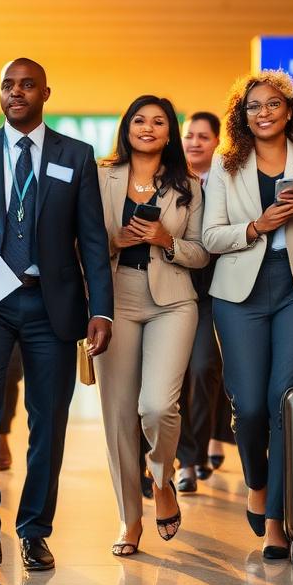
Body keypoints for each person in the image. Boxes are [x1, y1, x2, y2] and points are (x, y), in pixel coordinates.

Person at [0, 57, 113, 574]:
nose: (15, 93)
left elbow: (92, 238)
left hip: (50, 304)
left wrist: (102, 310)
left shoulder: (75, 155)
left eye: (27, 85)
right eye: (7, 86)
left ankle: (35, 531)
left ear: (45, 94)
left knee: (48, 419)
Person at [201, 70, 293, 560]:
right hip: (239, 291)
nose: (263, 113)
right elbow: (210, 237)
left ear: (289, 110)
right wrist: (257, 226)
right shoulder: (225, 163)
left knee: (284, 400)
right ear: (242, 116)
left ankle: (275, 521)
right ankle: (257, 483)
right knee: (249, 405)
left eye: (272, 104)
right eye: (253, 107)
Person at [95, 95, 208, 557]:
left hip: (173, 301)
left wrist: (167, 240)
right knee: (119, 416)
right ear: (127, 127)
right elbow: (80, 241)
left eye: (158, 122)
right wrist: (114, 241)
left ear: (169, 132)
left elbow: (202, 253)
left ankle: (161, 478)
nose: (147, 127)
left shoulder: (189, 185)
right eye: (139, 120)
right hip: (115, 300)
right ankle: (129, 518)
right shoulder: (101, 176)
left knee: (157, 406)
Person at [173, 111, 229, 490]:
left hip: (214, 290)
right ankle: (187, 461)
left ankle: (206, 440)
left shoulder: (227, 181)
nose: (194, 142)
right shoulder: (173, 180)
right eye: (189, 135)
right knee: (176, 376)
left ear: (217, 142)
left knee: (204, 369)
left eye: (203, 136)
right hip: (175, 287)